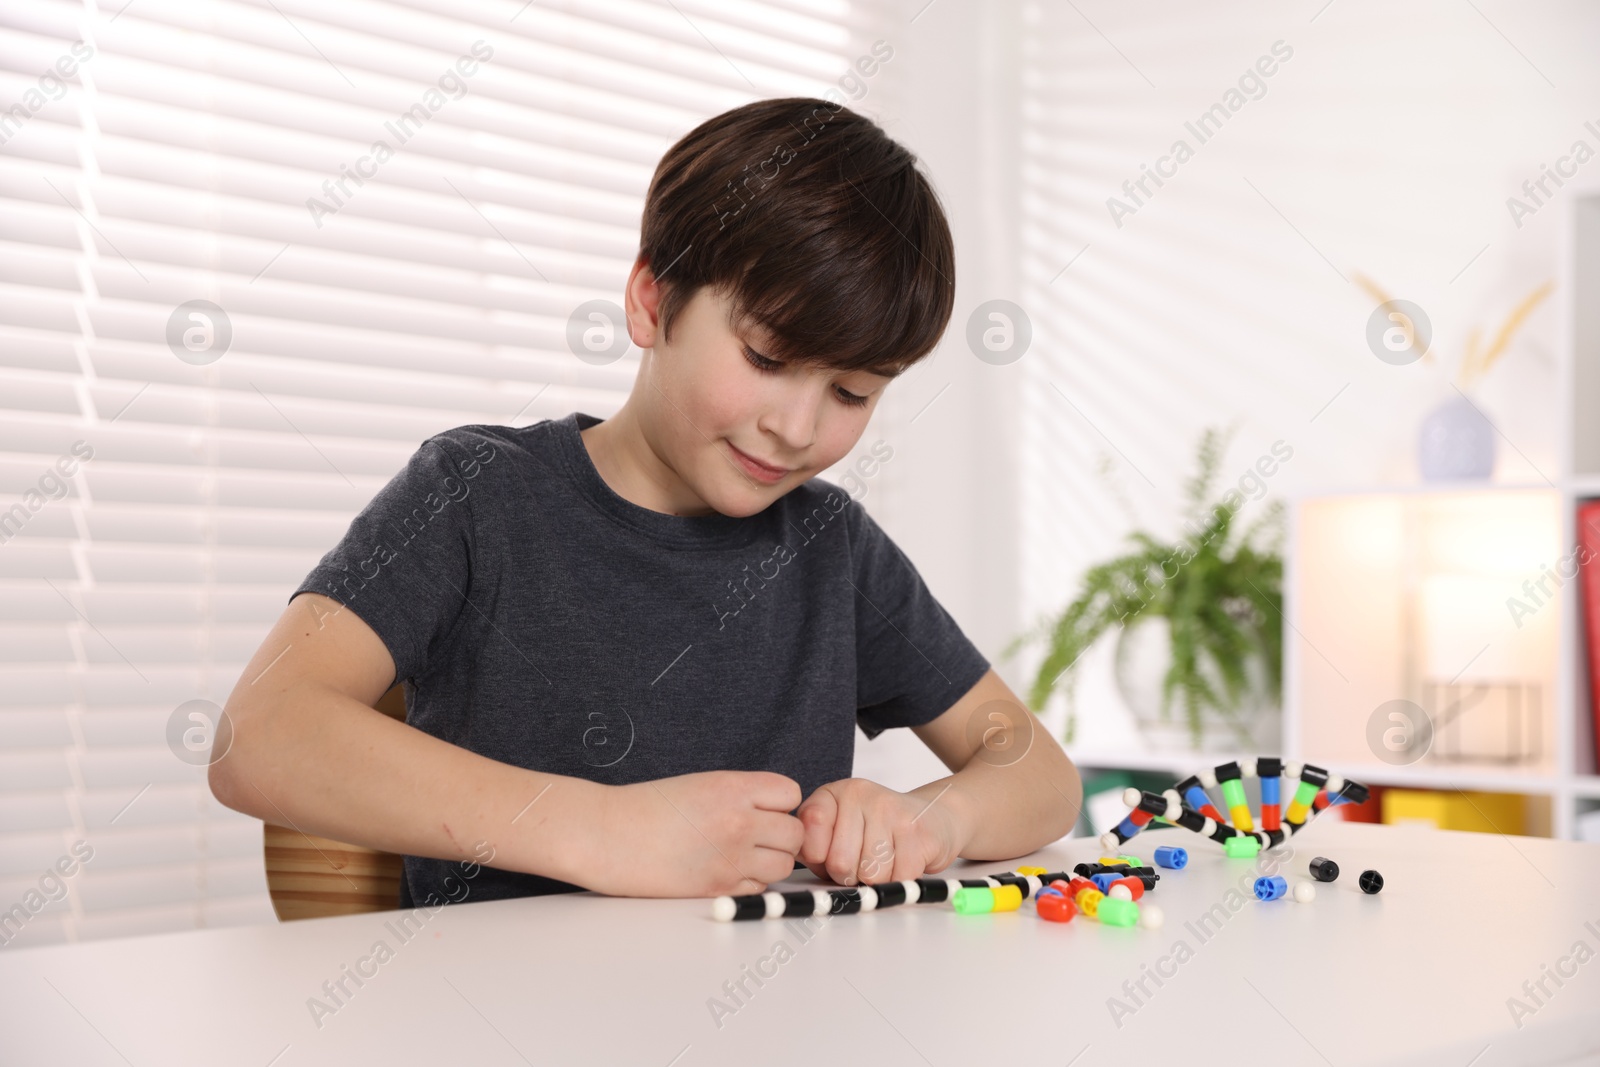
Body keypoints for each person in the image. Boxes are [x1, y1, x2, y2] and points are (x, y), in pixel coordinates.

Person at [210, 97, 1082, 908]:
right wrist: (601, 829)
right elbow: (260, 734)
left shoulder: (830, 548)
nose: (796, 426)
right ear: (651, 299)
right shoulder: (478, 494)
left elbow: (1038, 769)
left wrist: (935, 818)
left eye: (852, 394)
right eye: (768, 359)